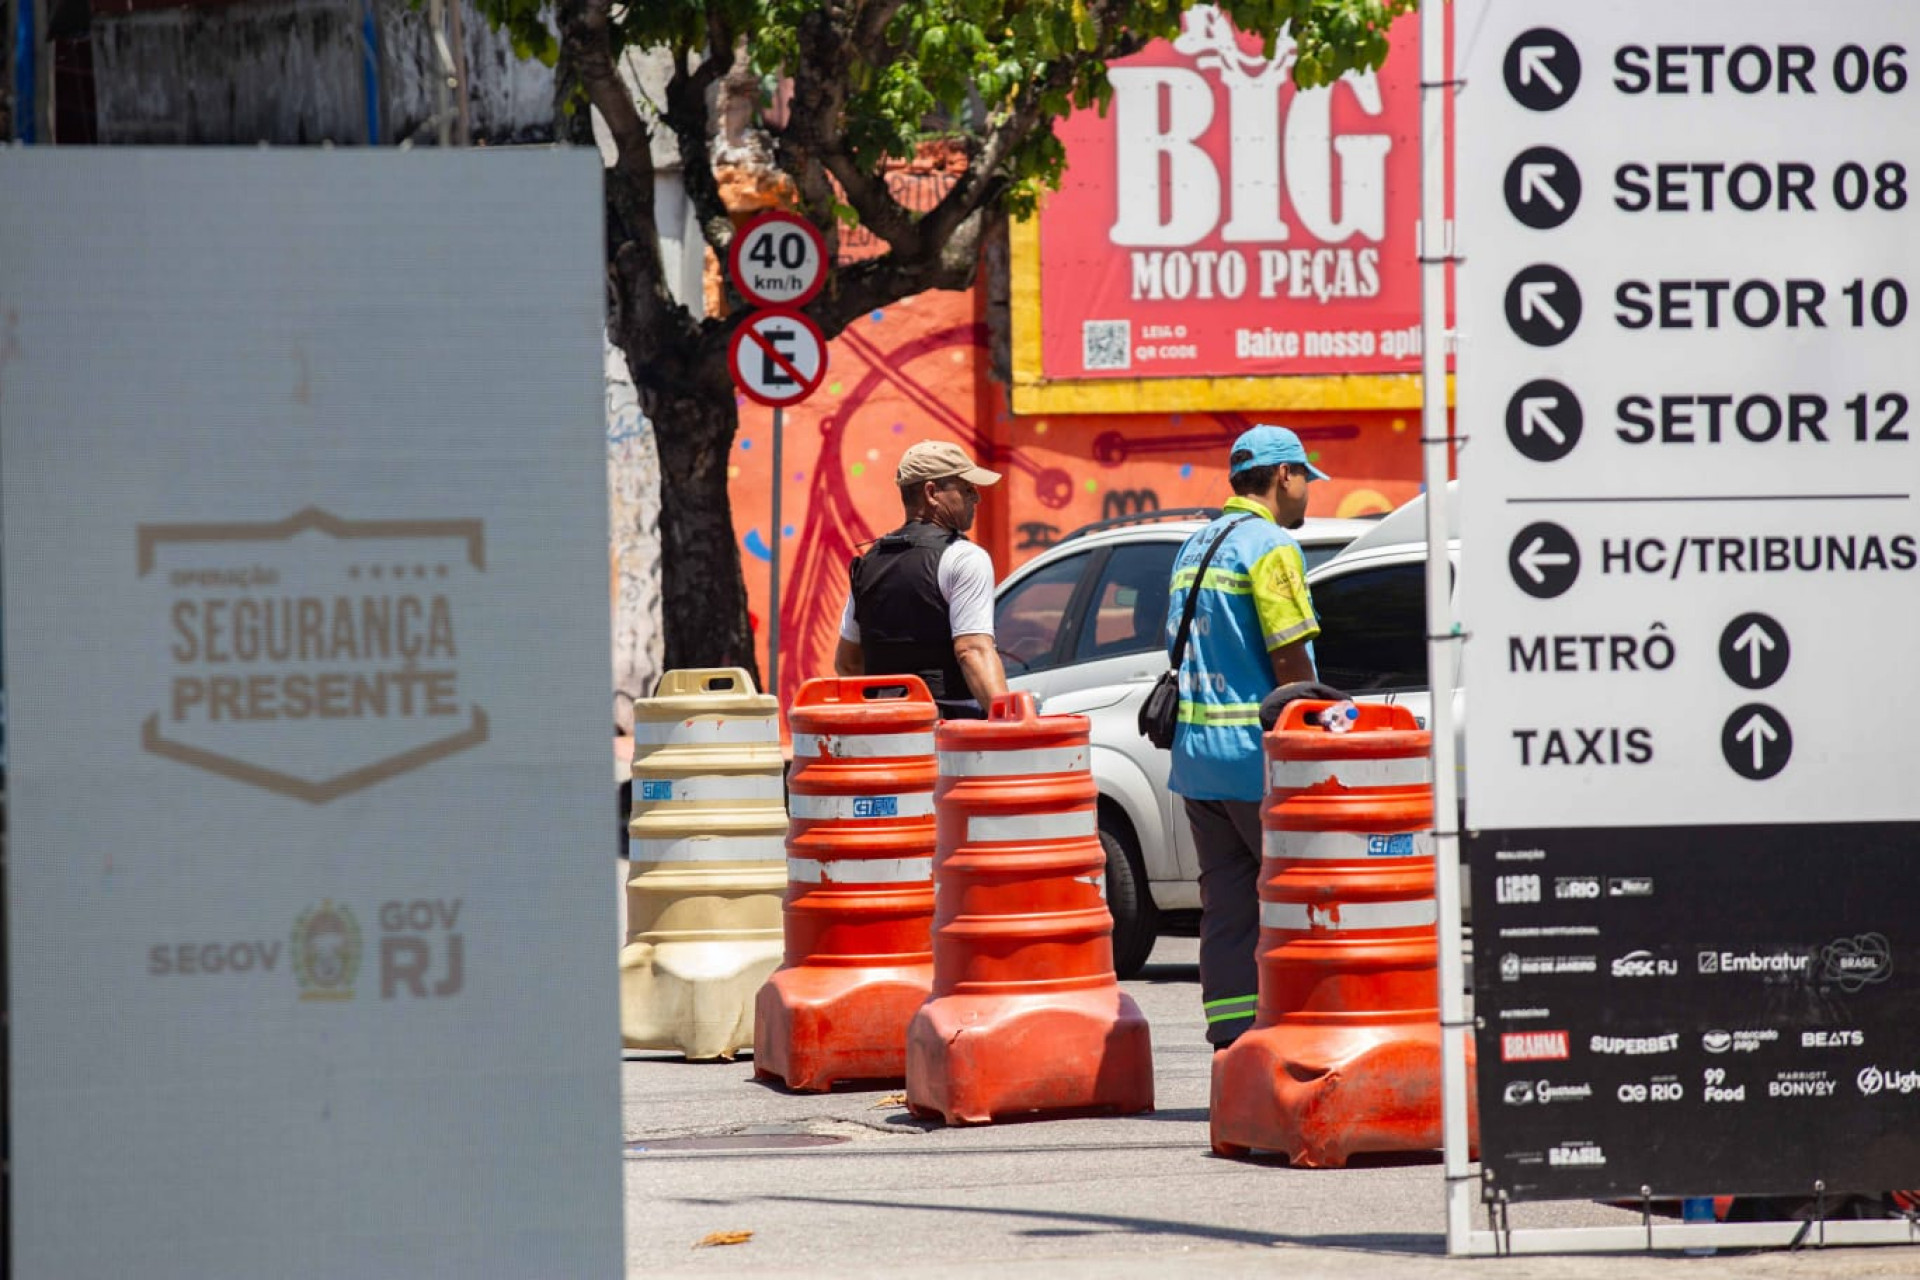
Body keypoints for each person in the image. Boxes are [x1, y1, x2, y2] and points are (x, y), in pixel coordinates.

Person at [1166, 424, 1326, 1050]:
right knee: (1298, 899)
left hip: (1196, 762)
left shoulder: (1195, 545)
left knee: (1228, 910)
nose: (1309, 490)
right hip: (1256, 762)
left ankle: (1233, 1041)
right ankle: (1301, 1034)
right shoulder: (1270, 546)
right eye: (1306, 476)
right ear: (1283, 475)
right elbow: (1291, 663)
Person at [834, 440, 1010, 719]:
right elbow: (973, 651)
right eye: (966, 489)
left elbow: (848, 663)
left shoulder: (868, 563)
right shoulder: (964, 557)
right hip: (949, 736)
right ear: (931, 492)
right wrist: (1011, 723)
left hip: (884, 731)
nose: (976, 498)